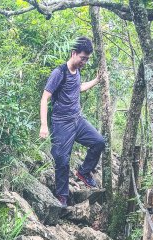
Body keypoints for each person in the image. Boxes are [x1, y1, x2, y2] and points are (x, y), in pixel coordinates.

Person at [39, 36, 105, 207]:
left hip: (78, 120)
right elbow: (45, 98)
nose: (84, 62)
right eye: (83, 58)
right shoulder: (59, 72)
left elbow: (78, 88)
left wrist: (97, 81)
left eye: (87, 59)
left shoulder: (77, 71)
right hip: (61, 123)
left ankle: (84, 172)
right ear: (74, 53)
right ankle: (62, 196)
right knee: (62, 159)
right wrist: (44, 125)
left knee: (99, 142)